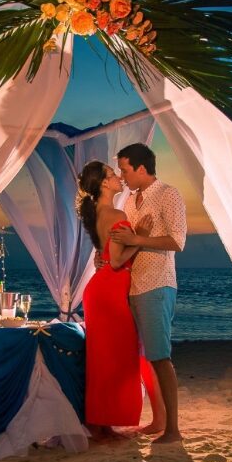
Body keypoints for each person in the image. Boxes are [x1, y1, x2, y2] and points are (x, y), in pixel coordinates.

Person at [77, 161, 160, 439]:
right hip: (110, 291)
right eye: (113, 175)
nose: (118, 178)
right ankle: (105, 421)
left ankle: (102, 422)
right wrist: (141, 238)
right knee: (119, 357)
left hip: (99, 291)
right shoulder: (115, 214)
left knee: (103, 359)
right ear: (103, 183)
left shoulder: (98, 213)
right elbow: (115, 261)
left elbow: (103, 255)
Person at [112, 143, 186, 444]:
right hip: (134, 285)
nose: (122, 176)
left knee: (160, 356)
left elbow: (177, 241)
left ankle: (173, 430)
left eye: (125, 170)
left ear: (141, 168)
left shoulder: (169, 194)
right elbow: (129, 243)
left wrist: (138, 239)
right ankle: (158, 421)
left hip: (157, 284)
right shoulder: (130, 201)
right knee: (147, 357)